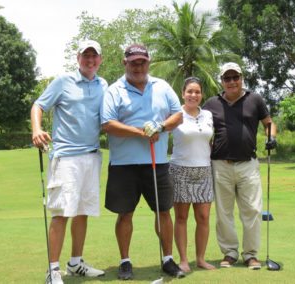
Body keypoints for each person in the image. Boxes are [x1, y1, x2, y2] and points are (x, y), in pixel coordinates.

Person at [101, 44, 185, 280]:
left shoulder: (162, 86)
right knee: (125, 214)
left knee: (163, 211)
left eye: (142, 62)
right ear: (124, 63)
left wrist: (160, 126)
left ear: (148, 63)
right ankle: (125, 261)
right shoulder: (114, 90)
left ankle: (168, 259)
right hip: (123, 165)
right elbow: (107, 124)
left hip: (156, 162)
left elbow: (177, 115)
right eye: (133, 62)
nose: (138, 67)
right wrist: (140, 132)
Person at [31, 39, 107, 284]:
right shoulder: (63, 81)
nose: (90, 60)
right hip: (66, 158)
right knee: (62, 213)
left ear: (100, 60)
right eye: (86, 55)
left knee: (83, 212)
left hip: (92, 156)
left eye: (94, 56)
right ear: (78, 58)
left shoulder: (103, 84)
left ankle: (75, 263)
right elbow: (38, 105)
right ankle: (52, 270)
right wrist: (36, 129)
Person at [203, 62, 277, 270]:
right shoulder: (211, 104)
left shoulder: (255, 99)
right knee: (224, 212)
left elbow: (269, 123)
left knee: (252, 210)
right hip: (220, 165)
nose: (232, 81)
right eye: (227, 78)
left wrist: (272, 138)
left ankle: (251, 255)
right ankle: (230, 253)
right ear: (222, 81)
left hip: (248, 164)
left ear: (242, 78)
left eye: (235, 77)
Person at [169, 77, 215, 272]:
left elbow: (209, 141)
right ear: (183, 93)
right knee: (181, 217)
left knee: (203, 217)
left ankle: (201, 259)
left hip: (204, 170)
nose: (193, 95)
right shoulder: (175, 114)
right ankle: (183, 260)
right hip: (180, 169)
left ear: (201, 94)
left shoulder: (208, 115)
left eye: (197, 92)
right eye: (190, 91)